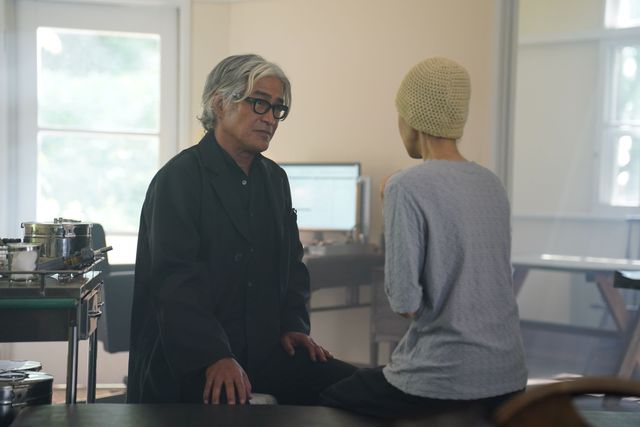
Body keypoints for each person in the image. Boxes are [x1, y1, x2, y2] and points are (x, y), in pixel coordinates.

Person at [127, 54, 356, 405]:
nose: (270, 118)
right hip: (189, 358)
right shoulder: (179, 179)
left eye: (277, 108)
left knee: (361, 390)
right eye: (259, 103)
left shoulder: (275, 180)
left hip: (263, 351)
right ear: (220, 103)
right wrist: (214, 355)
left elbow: (291, 265)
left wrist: (294, 325)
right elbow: (175, 281)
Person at [320, 57, 528, 418]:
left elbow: (405, 302)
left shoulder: (405, 186)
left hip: (442, 378)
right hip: (508, 377)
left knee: (330, 400)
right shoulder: (491, 184)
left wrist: (389, 203)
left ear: (411, 120)